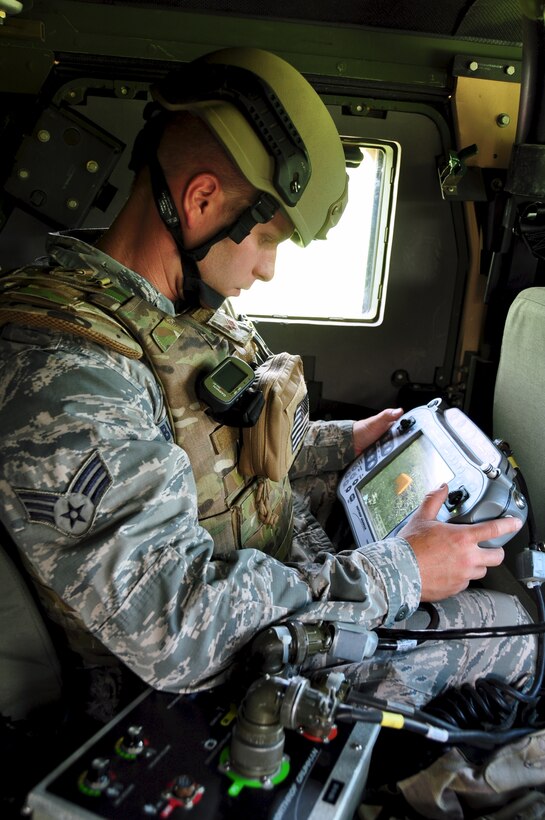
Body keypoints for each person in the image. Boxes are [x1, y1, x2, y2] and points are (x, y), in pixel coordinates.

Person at [0, 47, 535, 727]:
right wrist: (399, 573)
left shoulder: (174, 309)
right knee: (511, 629)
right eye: (269, 240)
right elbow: (176, 627)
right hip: (197, 674)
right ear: (201, 200)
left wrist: (348, 442)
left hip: (261, 570)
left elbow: (221, 449)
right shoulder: (71, 378)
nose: (269, 271)